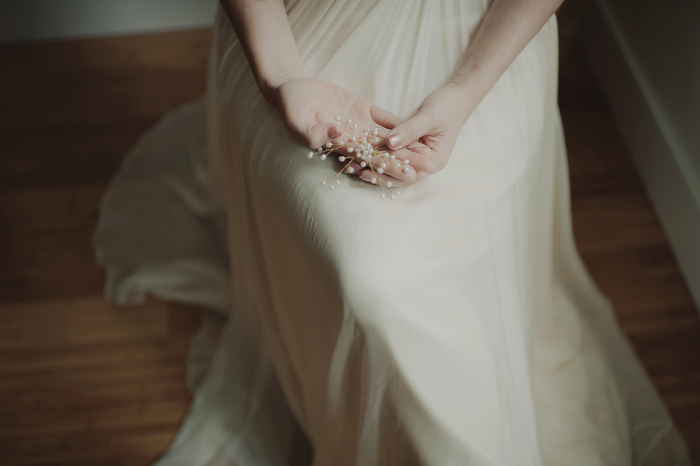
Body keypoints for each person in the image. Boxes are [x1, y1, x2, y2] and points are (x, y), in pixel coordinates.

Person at [94, 0, 692, 464]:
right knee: (369, 275)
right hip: (299, 34)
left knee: (407, 278)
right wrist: (281, 79)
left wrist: (461, 94)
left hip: (486, 42)